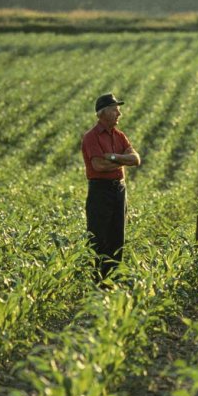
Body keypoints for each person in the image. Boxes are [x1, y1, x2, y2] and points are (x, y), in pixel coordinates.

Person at [81, 93, 141, 281]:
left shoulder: (120, 136)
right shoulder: (91, 137)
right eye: (115, 109)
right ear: (102, 113)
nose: (119, 113)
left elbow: (136, 159)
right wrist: (124, 160)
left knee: (117, 236)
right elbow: (98, 166)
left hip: (119, 190)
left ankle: (113, 281)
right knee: (99, 237)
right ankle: (98, 281)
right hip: (100, 190)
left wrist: (113, 157)